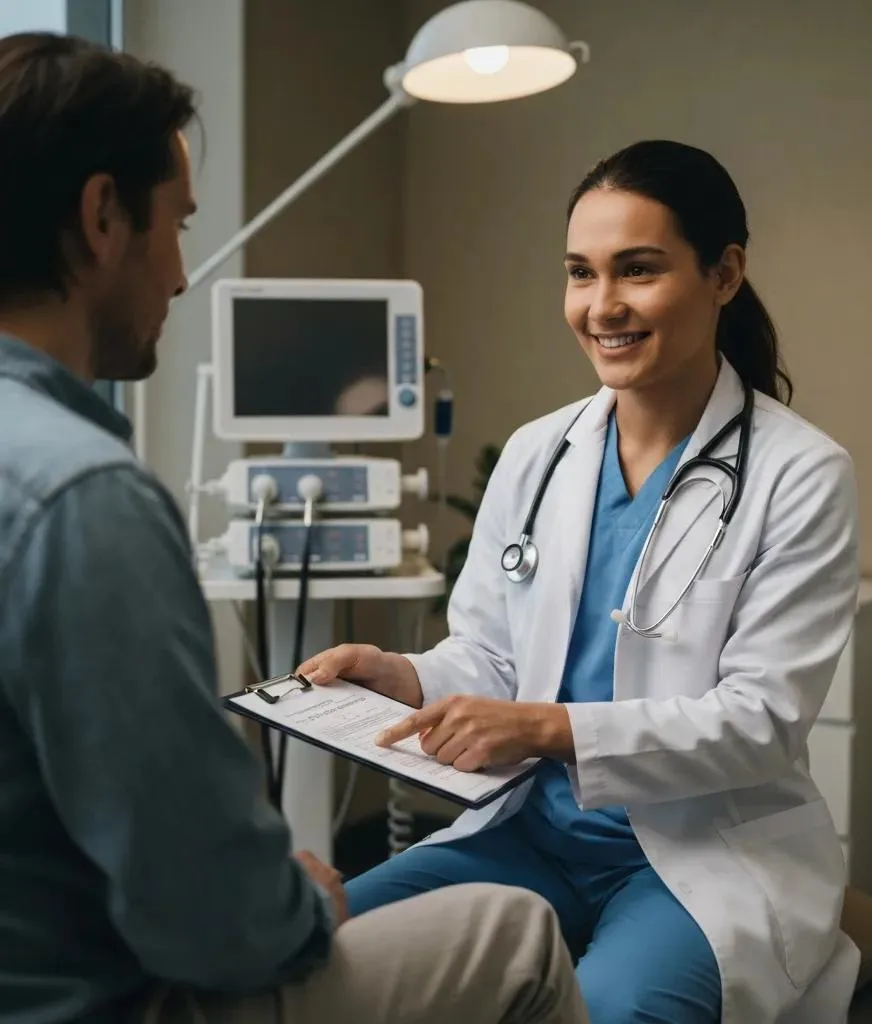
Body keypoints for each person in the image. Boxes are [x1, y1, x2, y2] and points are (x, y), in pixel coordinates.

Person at [0, 32, 587, 1024]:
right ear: (103, 217)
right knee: (514, 928)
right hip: (100, 1001)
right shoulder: (82, 500)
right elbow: (206, 911)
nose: (183, 276)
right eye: (176, 227)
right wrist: (301, 906)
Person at [299, 140, 861, 1024]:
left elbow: (762, 721)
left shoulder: (801, 473)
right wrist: (402, 677)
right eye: (581, 273)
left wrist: (548, 727)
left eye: (638, 271)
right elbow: (489, 655)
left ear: (724, 274)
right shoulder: (538, 453)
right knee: (323, 962)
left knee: (609, 1014)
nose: (603, 306)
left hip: (694, 857)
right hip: (525, 833)